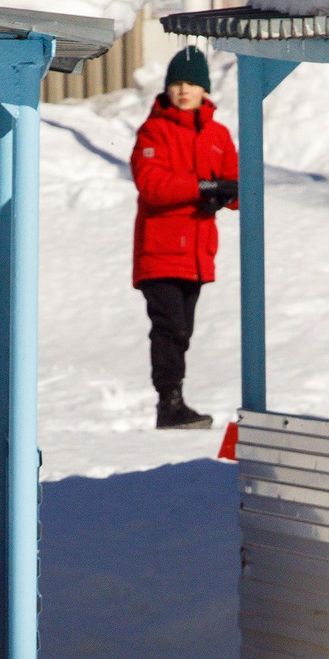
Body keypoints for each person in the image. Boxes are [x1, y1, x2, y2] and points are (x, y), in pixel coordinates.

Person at [130, 46, 239, 431]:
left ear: (205, 90)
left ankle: (174, 401)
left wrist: (226, 192)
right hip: (159, 252)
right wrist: (204, 185)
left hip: (196, 253)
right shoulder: (153, 131)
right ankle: (168, 403)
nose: (183, 90)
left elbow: (238, 187)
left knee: (183, 331)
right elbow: (153, 186)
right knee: (169, 327)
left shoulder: (218, 135)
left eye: (192, 83)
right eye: (176, 83)